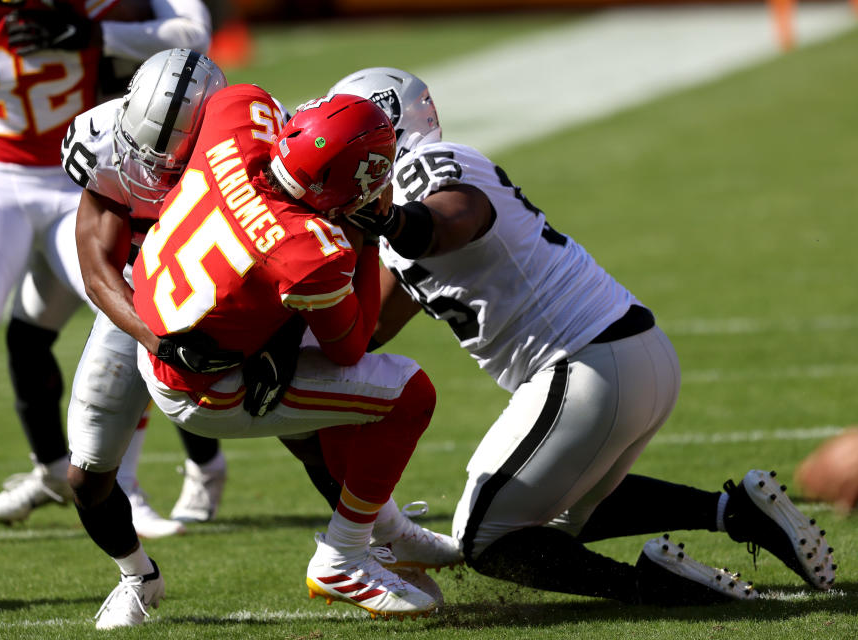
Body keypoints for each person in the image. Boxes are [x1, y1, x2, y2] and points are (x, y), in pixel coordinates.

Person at [330, 67, 837, 605]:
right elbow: (368, 327)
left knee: (483, 538)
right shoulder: (390, 218)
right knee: (560, 513)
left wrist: (381, 220)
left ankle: (655, 589)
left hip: (583, 363)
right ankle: (736, 512)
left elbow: (457, 217)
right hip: (623, 355)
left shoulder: (419, 171)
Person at [72, 86, 460, 628]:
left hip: (167, 301)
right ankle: (344, 557)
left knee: (320, 427)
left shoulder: (234, 109)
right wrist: (368, 235)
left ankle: (389, 534)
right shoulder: (307, 251)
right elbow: (351, 345)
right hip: (199, 384)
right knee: (406, 392)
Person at [0, 0, 196, 548]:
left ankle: (129, 485)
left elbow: (183, 34)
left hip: (72, 179)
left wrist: (95, 33)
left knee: (129, 313)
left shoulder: (89, 5)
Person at [0, 2, 225, 536]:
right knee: (28, 336)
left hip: (173, 158)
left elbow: (193, 34)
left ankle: (174, 474)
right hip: (96, 155)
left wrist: (93, 32)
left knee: (152, 318)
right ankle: (49, 472)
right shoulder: (95, 134)